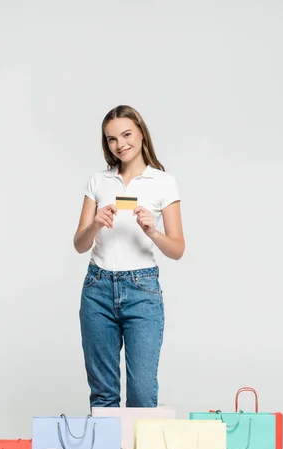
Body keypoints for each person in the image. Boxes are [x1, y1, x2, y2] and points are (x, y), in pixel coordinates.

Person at [74, 105, 184, 409]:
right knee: (103, 396)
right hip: (97, 289)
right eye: (111, 139)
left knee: (142, 394)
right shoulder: (98, 182)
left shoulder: (163, 182)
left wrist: (152, 231)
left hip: (142, 290)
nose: (120, 144)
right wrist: (95, 223)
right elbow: (79, 244)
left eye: (126, 135)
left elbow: (177, 249)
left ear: (140, 133)